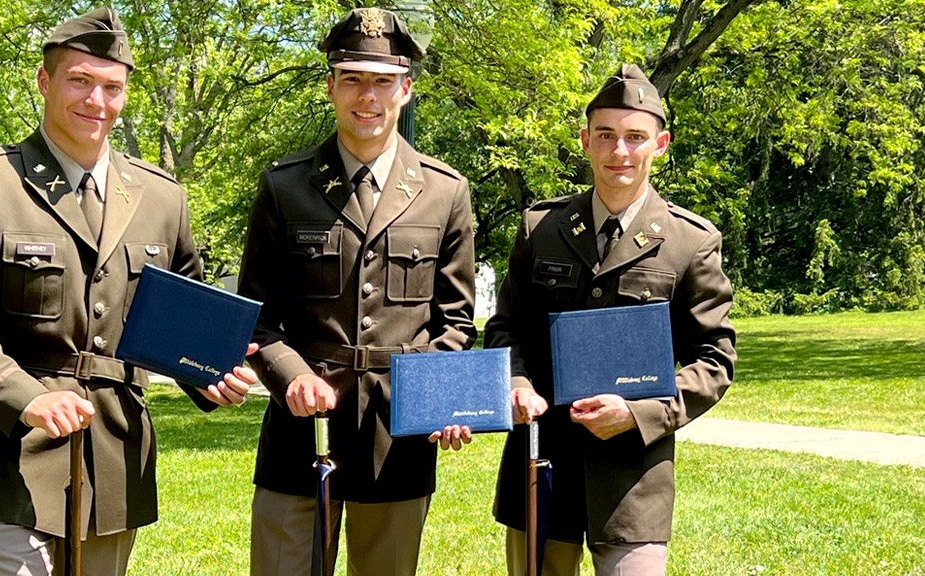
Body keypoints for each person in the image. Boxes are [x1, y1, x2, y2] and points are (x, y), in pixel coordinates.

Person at [0, 8, 256, 576]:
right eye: (80, 81)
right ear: (46, 82)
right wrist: (27, 396)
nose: (96, 101)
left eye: (112, 87)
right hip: (8, 458)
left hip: (115, 460)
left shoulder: (161, 196)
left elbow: (183, 308)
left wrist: (211, 372)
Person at [236, 8, 477, 576]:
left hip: (399, 436)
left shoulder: (445, 193)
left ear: (406, 90)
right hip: (299, 433)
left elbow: (456, 322)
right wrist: (291, 376)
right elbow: (255, 317)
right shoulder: (284, 186)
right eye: (353, 80)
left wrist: (439, 399)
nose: (367, 97)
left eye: (382, 82)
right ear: (331, 87)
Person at [485, 64, 737, 576]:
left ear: (660, 144)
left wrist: (641, 413)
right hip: (540, 461)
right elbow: (506, 327)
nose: (619, 152)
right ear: (585, 141)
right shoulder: (542, 228)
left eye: (634, 137)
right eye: (605, 136)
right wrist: (515, 381)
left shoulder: (690, 241)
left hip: (631, 477)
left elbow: (715, 360)